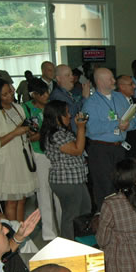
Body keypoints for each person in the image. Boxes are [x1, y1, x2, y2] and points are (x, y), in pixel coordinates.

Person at [82, 67, 136, 209]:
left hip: (119, 148)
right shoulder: (91, 103)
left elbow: (135, 119)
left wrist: (128, 125)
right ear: (100, 82)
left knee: (122, 185)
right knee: (105, 186)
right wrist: (116, 124)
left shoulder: (120, 97)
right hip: (100, 150)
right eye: (110, 79)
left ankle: (121, 216)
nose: (114, 81)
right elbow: (91, 128)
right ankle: (106, 218)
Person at [0, 78, 36, 221]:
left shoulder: (17, 108)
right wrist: (15, 133)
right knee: (12, 200)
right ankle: (13, 233)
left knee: (22, 198)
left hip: (22, 157)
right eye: (5, 94)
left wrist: (28, 130)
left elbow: (23, 128)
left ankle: (20, 229)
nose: (10, 95)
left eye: (10, 91)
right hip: (7, 162)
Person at [40, 100, 91, 240]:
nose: (70, 116)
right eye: (66, 113)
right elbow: (77, 150)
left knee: (85, 210)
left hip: (76, 179)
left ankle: (82, 242)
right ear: (57, 116)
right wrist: (81, 128)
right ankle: (69, 247)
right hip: (66, 181)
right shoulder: (55, 135)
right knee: (71, 215)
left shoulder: (63, 132)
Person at [23, 78, 60, 240]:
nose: (46, 96)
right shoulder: (26, 109)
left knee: (58, 192)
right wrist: (40, 134)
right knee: (44, 193)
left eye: (47, 92)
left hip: (54, 152)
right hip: (38, 154)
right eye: (42, 94)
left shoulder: (51, 108)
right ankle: (49, 233)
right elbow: (27, 135)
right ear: (34, 95)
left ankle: (62, 228)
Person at [49, 64, 91, 134]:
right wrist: (85, 98)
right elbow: (70, 113)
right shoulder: (57, 95)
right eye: (68, 75)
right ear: (58, 78)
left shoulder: (68, 93)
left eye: (72, 75)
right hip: (69, 135)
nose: (72, 77)